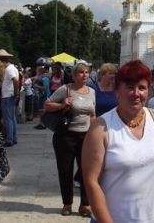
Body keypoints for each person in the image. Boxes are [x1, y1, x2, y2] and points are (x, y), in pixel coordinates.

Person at [83, 60, 154, 223]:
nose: (136, 93)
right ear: (117, 90)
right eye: (129, 87)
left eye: (141, 88)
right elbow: (92, 182)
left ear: (148, 91)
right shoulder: (101, 128)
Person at [44, 62, 95, 216]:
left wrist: (94, 133)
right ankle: (67, 203)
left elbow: (92, 114)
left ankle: (85, 204)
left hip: (85, 136)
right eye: (81, 72)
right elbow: (47, 105)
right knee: (65, 170)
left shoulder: (91, 92)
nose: (84, 75)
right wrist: (62, 105)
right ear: (73, 76)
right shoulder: (65, 89)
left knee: (86, 170)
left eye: (86, 72)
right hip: (66, 136)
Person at [0, 57, 19, 147]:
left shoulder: (9, 69)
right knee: (12, 118)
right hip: (11, 95)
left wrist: (15, 91)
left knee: (7, 118)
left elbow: (15, 80)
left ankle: (9, 139)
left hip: (8, 96)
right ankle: (14, 138)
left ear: (4, 62)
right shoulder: (14, 68)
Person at [33, 64, 50, 129]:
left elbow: (45, 88)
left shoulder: (45, 79)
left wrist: (37, 86)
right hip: (41, 95)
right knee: (40, 110)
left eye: (37, 71)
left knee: (43, 110)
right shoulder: (40, 78)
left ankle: (44, 123)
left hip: (44, 95)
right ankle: (41, 122)